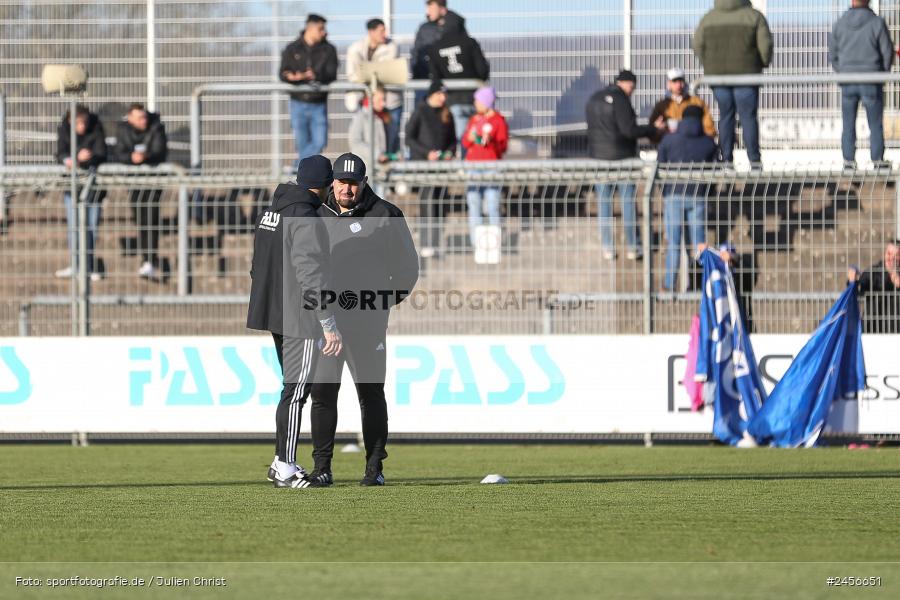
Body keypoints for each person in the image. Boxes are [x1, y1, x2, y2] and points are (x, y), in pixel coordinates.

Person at [307, 153, 419, 487]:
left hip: (367, 322)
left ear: (365, 182)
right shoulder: (315, 214)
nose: (347, 189)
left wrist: (383, 302)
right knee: (323, 393)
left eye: (354, 183)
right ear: (333, 182)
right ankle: (322, 468)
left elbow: (408, 268)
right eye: (342, 182)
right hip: (327, 322)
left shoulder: (386, 214)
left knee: (370, 394)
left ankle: (374, 468)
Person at [246, 155, 342, 488]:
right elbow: (309, 274)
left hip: (274, 311)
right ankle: (284, 465)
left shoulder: (271, 213)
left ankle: (281, 462)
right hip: (298, 316)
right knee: (297, 389)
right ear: (326, 184)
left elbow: (257, 265)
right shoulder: (306, 217)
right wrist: (327, 323)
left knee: (293, 387)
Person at [586, 69, 665, 260]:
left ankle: (607, 247)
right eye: (633, 87)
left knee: (604, 203)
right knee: (627, 202)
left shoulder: (594, 98)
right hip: (622, 159)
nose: (632, 91)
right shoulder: (620, 100)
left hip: (598, 159)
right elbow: (629, 130)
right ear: (627, 83)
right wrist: (653, 129)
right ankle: (633, 246)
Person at [694, 0, 772, 167]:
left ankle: (726, 159)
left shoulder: (708, 18)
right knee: (748, 117)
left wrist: (709, 65)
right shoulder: (754, 16)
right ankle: (754, 161)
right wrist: (762, 63)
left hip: (718, 77)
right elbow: (765, 47)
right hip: (747, 75)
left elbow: (697, 46)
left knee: (726, 116)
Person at [657, 105, 718, 292]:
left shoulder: (668, 140)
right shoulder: (708, 143)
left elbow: (660, 167)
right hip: (698, 195)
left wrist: (665, 191)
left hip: (673, 194)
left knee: (674, 242)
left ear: (682, 118)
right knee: (700, 243)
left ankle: (669, 284)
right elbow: (713, 172)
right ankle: (701, 283)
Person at [829, 0, 894, 169]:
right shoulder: (877, 23)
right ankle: (878, 161)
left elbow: (833, 56)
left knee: (848, 123)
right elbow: (887, 52)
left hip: (848, 80)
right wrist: (881, 74)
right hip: (872, 80)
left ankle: (849, 162)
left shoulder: (840, 23)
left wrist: (843, 71)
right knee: (875, 124)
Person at [112, 103, 168, 279]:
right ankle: (147, 260)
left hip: (152, 182)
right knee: (140, 219)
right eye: (139, 118)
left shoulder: (156, 127)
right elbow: (118, 153)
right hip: (134, 182)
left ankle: (149, 260)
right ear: (130, 118)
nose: (143, 121)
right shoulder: (123, 131)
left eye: (144, 117)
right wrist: (131, 158)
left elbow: (160, 150)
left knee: (150, 220)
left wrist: (146, 156)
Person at [54, 104, 107, 281]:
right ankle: (75, 265)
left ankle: (89, 267)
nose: (82, 126)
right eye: (78, 123)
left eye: (84, 122)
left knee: (91, 228)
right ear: (70, 121)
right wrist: (75, 157)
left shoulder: (96, 128)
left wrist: (88, 156)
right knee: (73, 228)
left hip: (93, 189)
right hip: (72, 188)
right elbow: (61, 154)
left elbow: (102, 153)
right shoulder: (64, 131)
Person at [405, 80, 457, 257]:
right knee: (427, 202)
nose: (443, 98)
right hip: (423, 166)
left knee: (440, 203)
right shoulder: (420, 111)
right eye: (440, 94)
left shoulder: (447, 113)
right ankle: (426, 243)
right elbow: (409, 138)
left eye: (445, 95)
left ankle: (437, 242)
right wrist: (427, 153)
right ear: (432, 94)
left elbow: (452, 141)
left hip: (441, 168)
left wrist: (450, 153)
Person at [428, 10, 490, 157]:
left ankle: (466, 169)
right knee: (480, 138)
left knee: (463, 138)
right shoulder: (469, 42)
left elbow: (435, 77)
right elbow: (483, 71)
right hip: (476, 100)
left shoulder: (435, 47)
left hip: (453, 100)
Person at [280, 14, 339, 163]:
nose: (324, 32)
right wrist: (295, 77)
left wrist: (316, 75)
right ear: (310, 28)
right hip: (297, 103)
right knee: (302, 145)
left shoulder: (329, 49)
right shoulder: (292, 48)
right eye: (321, 29)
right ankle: (303, 176)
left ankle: (297, 168)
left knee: (320, 142)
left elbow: (332, 73)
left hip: (318, 103)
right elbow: (282, 73)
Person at [345, 18, 403, 154]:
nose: (385, 34)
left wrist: (366, 73)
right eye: (381, 31)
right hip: (364, 101)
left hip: (390, 102)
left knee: (391, 137)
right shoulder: (356, 49)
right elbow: (353, 74)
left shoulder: (391, 47)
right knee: (366, 137)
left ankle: (388, 164)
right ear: (371, 32)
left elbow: (384, 73)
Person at [462, 86, 508, 247]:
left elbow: (502, 146)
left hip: (490, 166)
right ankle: (477, 244)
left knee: (492, 203)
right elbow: (465, 142)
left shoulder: (498, 121)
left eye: (478, 101)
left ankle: (494, 243)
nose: (475, 103)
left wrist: (491, 141)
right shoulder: (474, 119)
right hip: (473, 165)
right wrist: (469, 137)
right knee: (473, 203)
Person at [648, 67, 716, 143]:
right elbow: (652, 133)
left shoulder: (697, 102)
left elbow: (709, 128)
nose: (678, 84)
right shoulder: (661, 106)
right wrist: (658, 130)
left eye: (681, 80)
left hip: (694, 143)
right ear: (669, 84)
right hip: (671, 145)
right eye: (674, 81)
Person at [848, 240, 900, 333]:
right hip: (872, 329)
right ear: (884, 255)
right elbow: (859, 287)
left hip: (896, 331)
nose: (892, 258)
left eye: (896, 255)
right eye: (889, 254)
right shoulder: (873, 272)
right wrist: (853, 281)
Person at [411, 0, 450, 106]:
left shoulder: (452, 27)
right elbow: (416, 53)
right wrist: (416, 75)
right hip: (423, 80)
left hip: (445, 83)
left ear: (442, 9)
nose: (428, 11)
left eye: (431, 8)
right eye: (428, 8)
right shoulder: (424, 28)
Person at [348, 85, 390, 169]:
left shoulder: (382, 117)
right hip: (365, 170)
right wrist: (377, 154)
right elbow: (355, 143)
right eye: (380, 100)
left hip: (378, 168)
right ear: (370, 99)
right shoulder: (360, 117)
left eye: (384, 99)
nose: (383, 103)